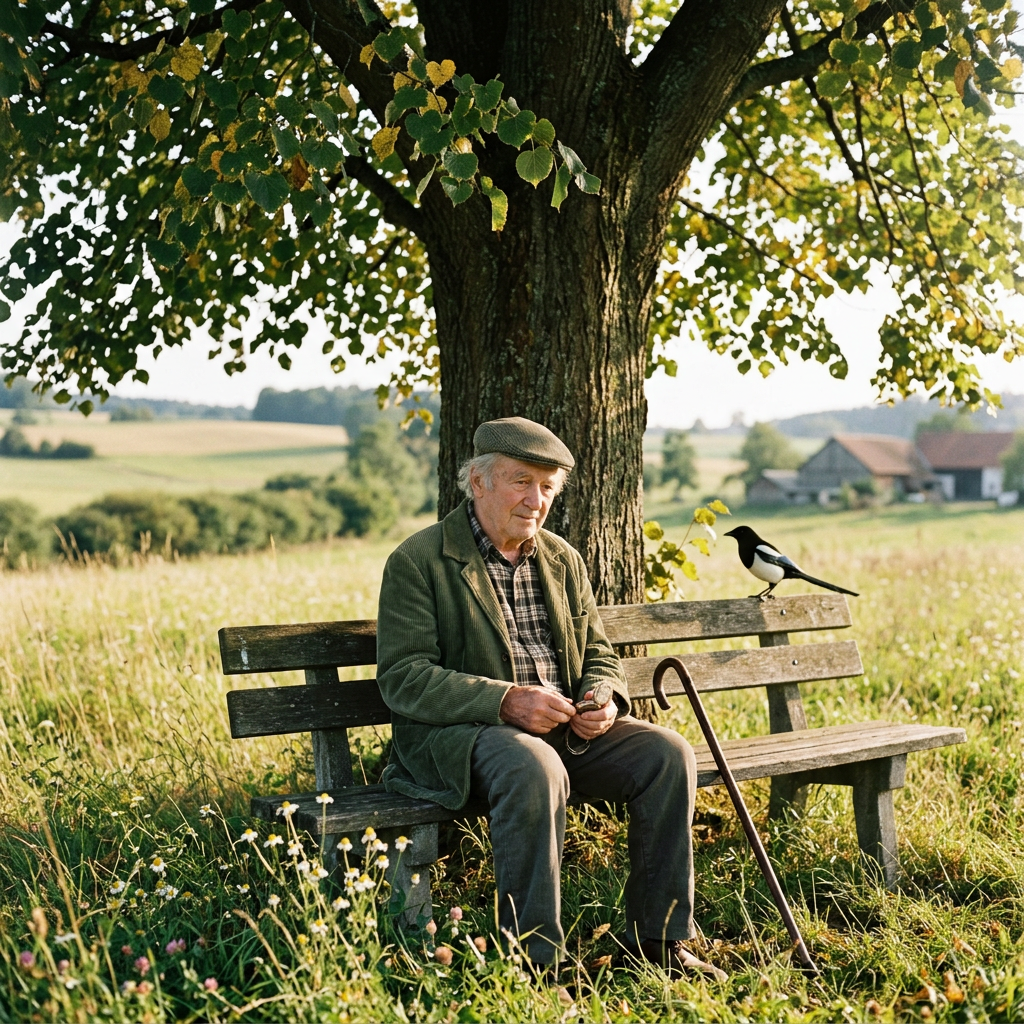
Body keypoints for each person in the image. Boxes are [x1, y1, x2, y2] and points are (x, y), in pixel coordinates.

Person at [376, 416, 725, 979]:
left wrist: (603, 696)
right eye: (521, 481)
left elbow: (600, 653)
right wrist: (506, 700)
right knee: (533, 763)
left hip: (565, 730)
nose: (535, 499)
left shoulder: (561, 558)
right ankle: (537, 965)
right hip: (465, 737)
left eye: (547, 486)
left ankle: (659, 944)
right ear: (478, 481)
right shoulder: (419, 561)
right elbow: (404, 677)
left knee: (668, 754)